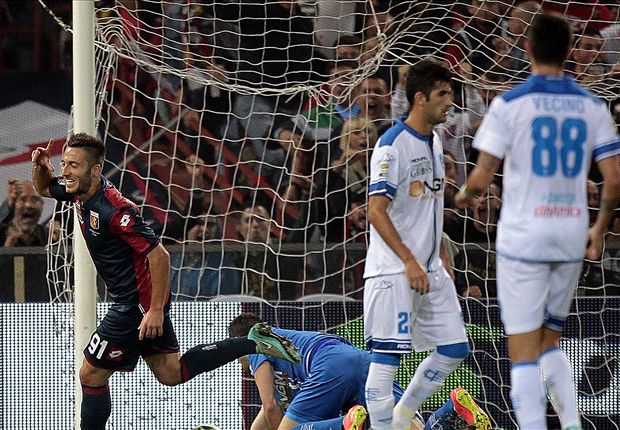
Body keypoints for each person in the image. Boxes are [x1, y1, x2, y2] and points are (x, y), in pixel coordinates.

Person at [30, 133, 301, 430]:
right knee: (171, 373)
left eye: (74, 166)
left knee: (90, 375)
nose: (66, 171)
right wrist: (41, 165)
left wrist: (155, 311)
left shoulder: (116, 211)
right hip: (141, 302)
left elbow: (159, 256)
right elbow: (44, 187)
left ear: (95, 170)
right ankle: (251, 342)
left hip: (134, 306)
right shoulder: (77, 189)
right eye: (64, 163)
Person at [455, 13, 620, 430]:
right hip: (570, 233)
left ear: (526, 49)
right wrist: (598, 230)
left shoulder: (510, 103)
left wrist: (463, 196)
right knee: (551, 340)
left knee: (522, 349)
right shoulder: (593, 105)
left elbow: (481, 176)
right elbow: (614, 180)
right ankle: (570, 424)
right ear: (570, 52)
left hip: (524, 237)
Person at [363, 60, 476, 430]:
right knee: (385, 366)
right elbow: (375, 211)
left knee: (455, 349)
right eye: (443, 94)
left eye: (452, 93)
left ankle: (403, 416)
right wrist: (410, 261)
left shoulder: (436, 141)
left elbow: (426, 208)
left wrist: (436, 254)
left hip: (430, 271)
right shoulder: (392, 145)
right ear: (419, 98)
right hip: (395, 272)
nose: (451, 101)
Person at [228, 313, 490, 430]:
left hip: (329, 366)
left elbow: (270, 405)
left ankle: (344, 425)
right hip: (363, 361)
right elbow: (268, 413)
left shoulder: (253, 340)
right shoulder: (287, 343)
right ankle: (453, 410)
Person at [0, 180, 48, 247]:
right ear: (14, 204)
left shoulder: (48, 236)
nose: (28, 205)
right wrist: (8, 247)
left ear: (42, 205)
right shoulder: (2, 233)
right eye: (22, 199)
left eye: (35, 199)